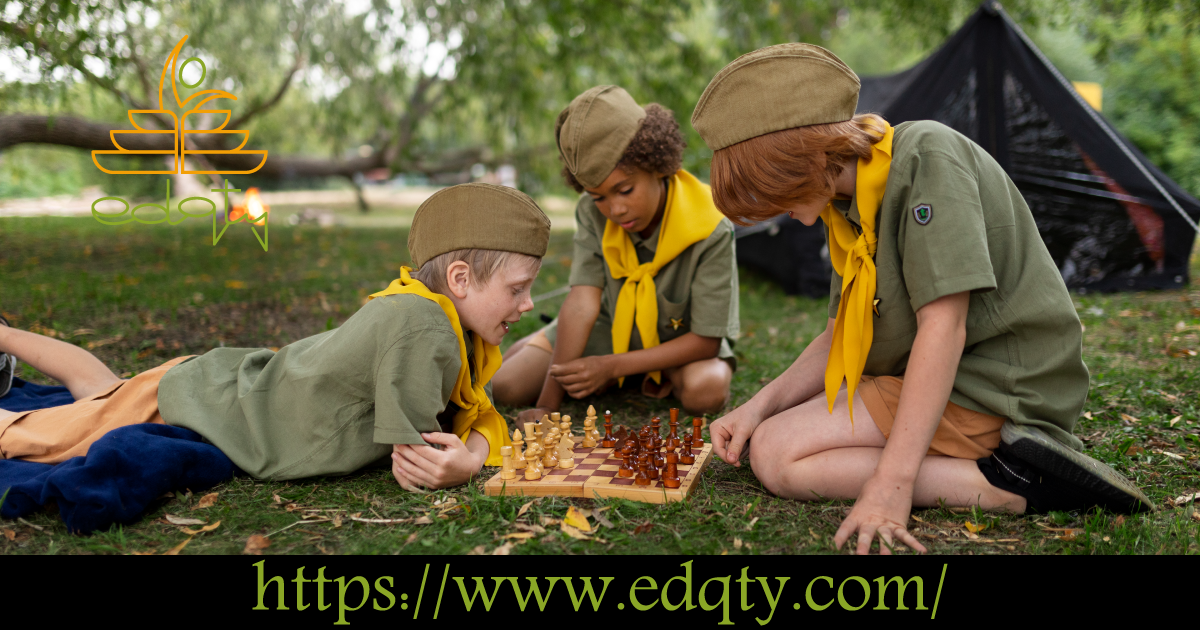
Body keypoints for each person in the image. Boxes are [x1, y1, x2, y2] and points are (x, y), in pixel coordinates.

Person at [691, 44, 1153, 555]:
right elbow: (839, 334)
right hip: (934, 376)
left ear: (805, 156)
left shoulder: (926, 157)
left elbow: (944, 327)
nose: (774, 212)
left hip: (996, 386)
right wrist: (754, 409)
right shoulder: (844, 205)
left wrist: (893, 484)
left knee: (779, 457)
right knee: (770, 438)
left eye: (771, 192)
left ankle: (1012, 483)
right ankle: (986, 468)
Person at [0, 183, 550, 490]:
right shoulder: (425, 326)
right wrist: (472, 461)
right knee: (31, 435)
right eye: (518, 288)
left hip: (215, 386)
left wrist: (475, 452)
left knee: (102, 388)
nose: (528, 305)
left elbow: (477, 417)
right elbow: (418, 462)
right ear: (460, 280)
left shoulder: (444, 320)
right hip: (216, 403)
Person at [493, 86, 739, 422]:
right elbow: (582, 302)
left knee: (706, 392)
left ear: (657, 165)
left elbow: (706, 343)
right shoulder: (592, 213)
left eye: (625, 190)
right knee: (506, 387)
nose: (616, 209)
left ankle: (636, 371)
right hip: (605, 329)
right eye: (599, 197)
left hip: (677, 342)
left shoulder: (711, 225)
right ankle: (553, 343)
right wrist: (548, 406)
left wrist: (610, 367)